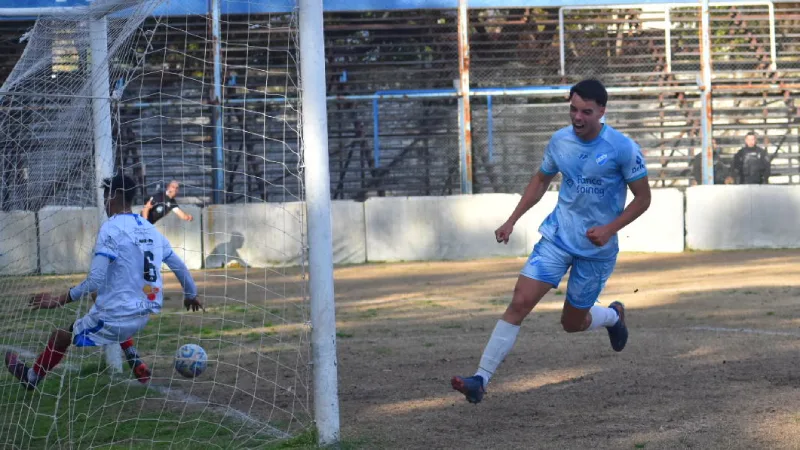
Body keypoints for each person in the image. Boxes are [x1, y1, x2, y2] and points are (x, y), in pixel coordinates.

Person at [450, 79, 652, 404]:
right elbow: (542, 179)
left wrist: (610, 228)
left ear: (602, 111)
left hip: (596, 250)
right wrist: (512, 219)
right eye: (573, 109)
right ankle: (480, 379)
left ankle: (614, 316)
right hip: (557, 237)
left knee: (572, 324)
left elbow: (643, 199)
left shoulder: (622, 148)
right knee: (519, 303)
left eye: (586, 111)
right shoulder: (560, 141)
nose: (578, 117)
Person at [5, 173, 204, 390]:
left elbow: (95, 278)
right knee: (98, 296)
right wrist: (190, 294)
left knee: (61, 336)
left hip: (119, 316)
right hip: (145, 313)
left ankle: (31, 378)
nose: (104, 201)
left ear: (115, 196)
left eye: (106, 195)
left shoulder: (111, 228)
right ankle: (134, 358)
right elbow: (178, 265)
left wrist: (57, 300)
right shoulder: (149, 228)